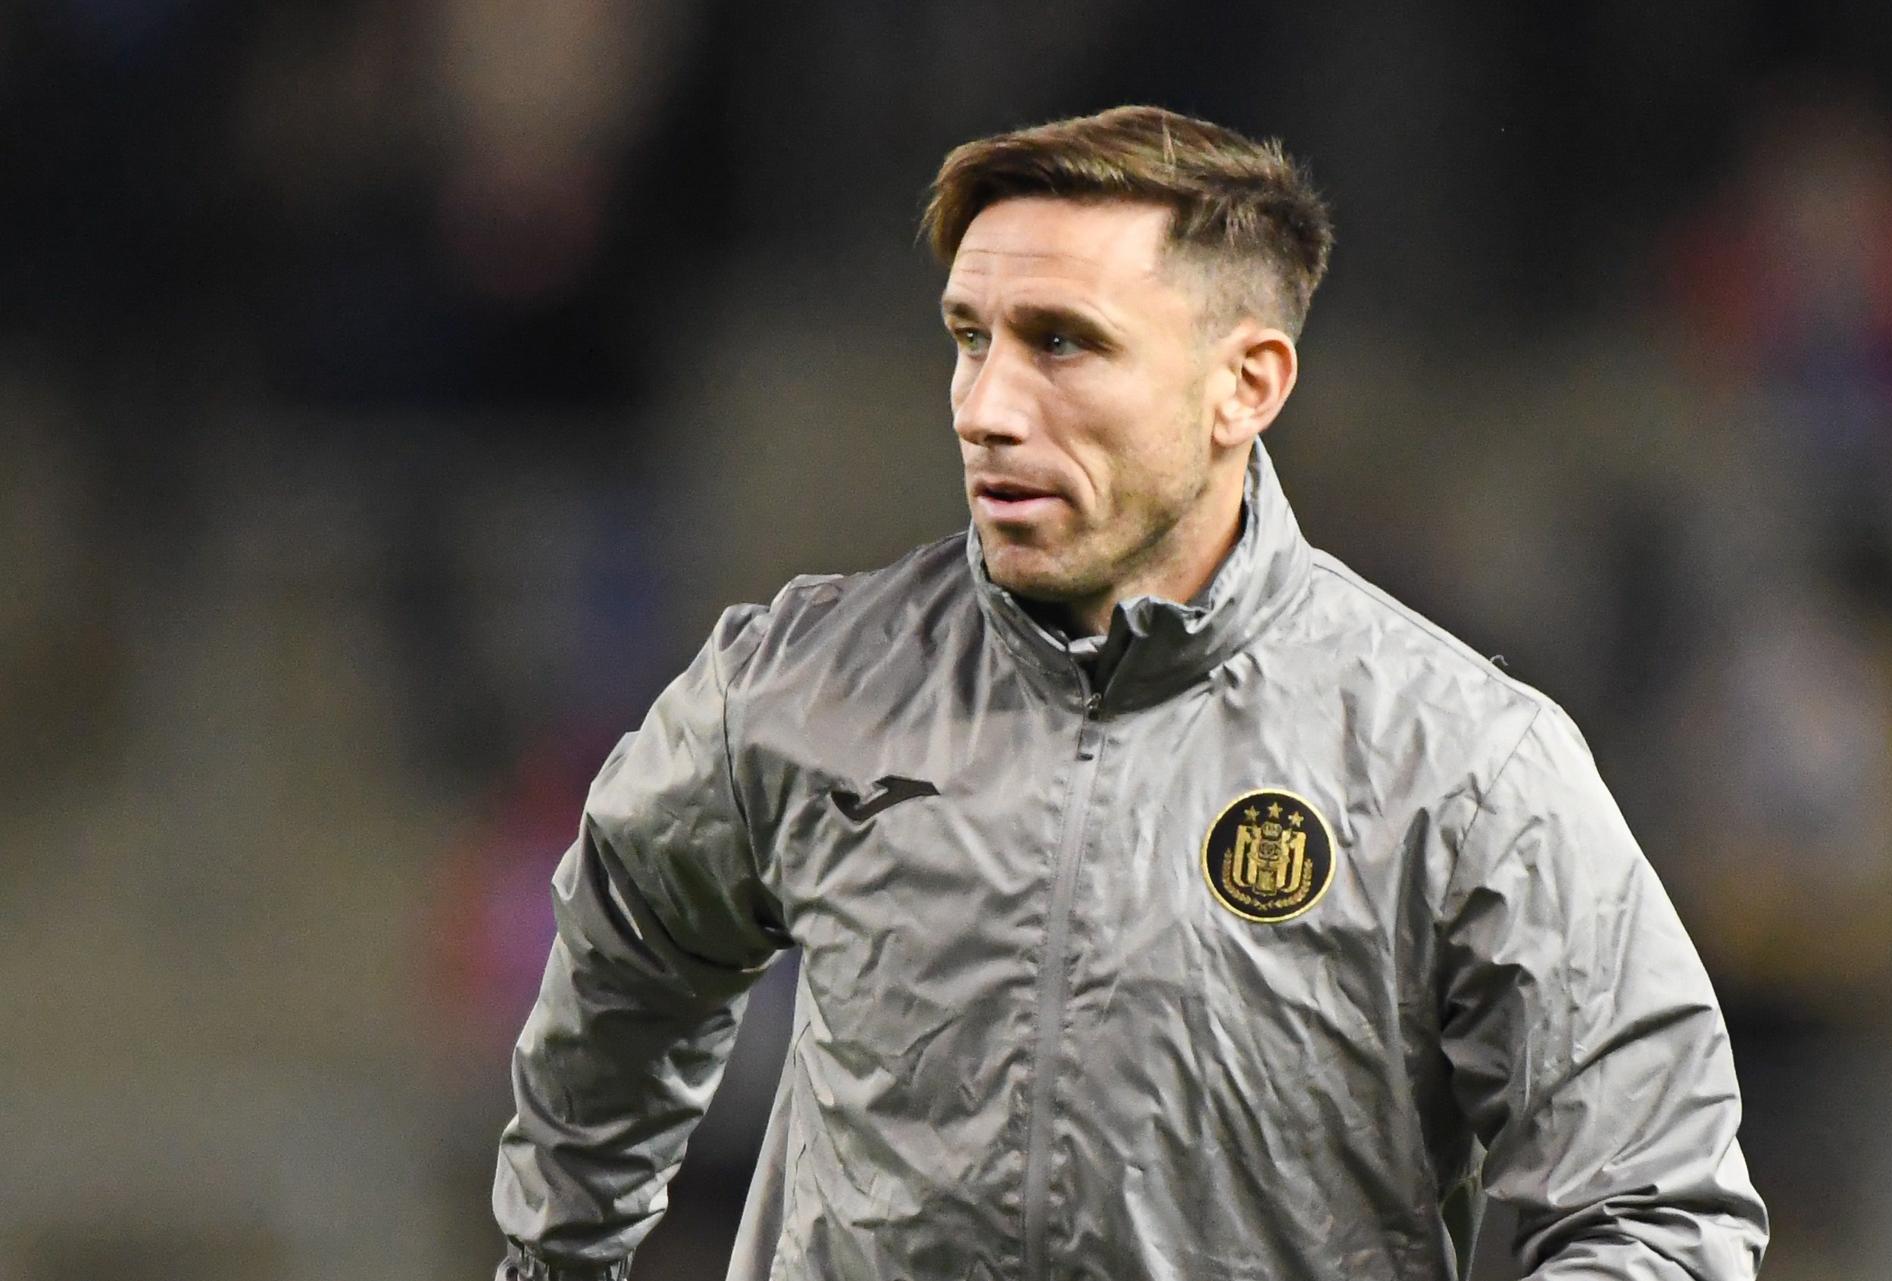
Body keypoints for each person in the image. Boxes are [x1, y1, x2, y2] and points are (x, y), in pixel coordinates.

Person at [492, 105, 1768, 1281]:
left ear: (1246, 385)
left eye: (1064, 345)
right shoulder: (795, 686)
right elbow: (624, 963)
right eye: (970, 339)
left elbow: (1656, 1205)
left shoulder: (1461, 763)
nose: (987, 408)